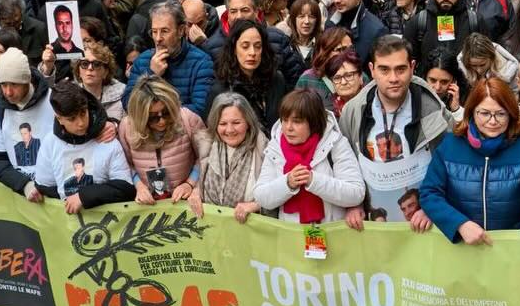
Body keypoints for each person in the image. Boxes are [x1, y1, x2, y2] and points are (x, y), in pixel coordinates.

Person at [338, 35, 450, 230]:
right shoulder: (353, 111)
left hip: (426, 225)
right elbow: (344, 163)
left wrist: (434, 207)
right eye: (384, 69)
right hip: (375, 225)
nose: (393, 78)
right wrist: (352, 203)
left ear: (412, 67)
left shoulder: (434, 111)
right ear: (372, 70)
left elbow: (453, 166)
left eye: (400, 69)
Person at [420, 77, 520, 244]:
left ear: (511, 114)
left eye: (501, 114)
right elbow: (429, 193)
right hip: (461, 247)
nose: (493, 121)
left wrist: (519, 243)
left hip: (513, 248)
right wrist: (459, 224)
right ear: (472, 112)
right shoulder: (450, 145)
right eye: (484, 113)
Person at [254, 88, 367, 227]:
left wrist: (314, 180)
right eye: (285, 120)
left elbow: (356, 193)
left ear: (313, 122)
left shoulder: (335, 143)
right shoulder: (275, 147)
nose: (288, 128)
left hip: (332, 232)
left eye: (297, 122)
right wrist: (287, 183)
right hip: (291, 234)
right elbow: (261, 197)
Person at [34, 82, 134, 213]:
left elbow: (126, 188)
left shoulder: (107, 138)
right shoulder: (50, 143)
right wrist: (70, 202)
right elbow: (44, 187)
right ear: (59, 119)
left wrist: (84, 196)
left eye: (83, 113)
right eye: (72, 119)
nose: (80, 123)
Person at [118, 76, 209, 204]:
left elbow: (206, 158)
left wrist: (190, 183)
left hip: (184, 199)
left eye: (166, 113)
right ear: (140, 116)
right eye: (153, 117)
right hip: (149, 202)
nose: (162, 121)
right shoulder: (127, 127)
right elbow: (125, 164)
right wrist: (139, 186)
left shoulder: (188, 119)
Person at [0, 48, 57, 199]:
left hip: (55, 191)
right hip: (21, 193)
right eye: (3, 84)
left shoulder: (53, 100)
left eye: (14, 84)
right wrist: (24, 184)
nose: (8, 92)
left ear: (27, 80)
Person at [124, 0, 215, 117]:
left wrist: (161, 114)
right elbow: (128, 104)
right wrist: (152, 76)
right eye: (154, 31)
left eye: (164, 31)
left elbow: (199, 109)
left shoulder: (201, 62)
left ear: (181, 30)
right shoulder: (142, 60)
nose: (158, 38)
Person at [196, 92, 269, 222]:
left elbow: (274, 195)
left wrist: (256, 205)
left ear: (248, 122)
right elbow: (200, 180)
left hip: (250, 227)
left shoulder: (263, 149)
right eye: (223, 124)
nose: (229, 130)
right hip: (212, 225)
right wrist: (196, 192)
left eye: (236, 122)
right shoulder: (207, 144)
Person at [210, 19, 289, 130]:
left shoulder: (277, 80)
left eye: (257, 46)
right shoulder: (221, 89)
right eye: (245, 46)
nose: (252, 52)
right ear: (234, 49)